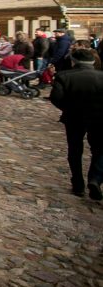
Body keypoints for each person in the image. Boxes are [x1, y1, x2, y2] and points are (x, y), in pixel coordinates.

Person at [50, 48, 103, 200]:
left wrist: (68, 108)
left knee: (75, 149)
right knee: (99, 149)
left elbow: (56, 98)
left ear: (73, 61)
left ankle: (78, 182)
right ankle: (95, 178)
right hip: (99, 118)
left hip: (74, 117)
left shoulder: (64, 76)